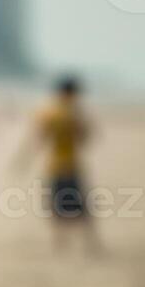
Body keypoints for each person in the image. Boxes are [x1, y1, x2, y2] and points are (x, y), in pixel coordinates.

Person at [17, 75, 103, 255]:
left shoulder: (49, 112)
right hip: (71, 166)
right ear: (72, 93)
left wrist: (23, 159)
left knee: (57, 206)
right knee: (82, 208)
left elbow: (38, 139)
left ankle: (60, 243)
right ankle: (89, 243)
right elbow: (85, 138)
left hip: (55, 166)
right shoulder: (74, 114)